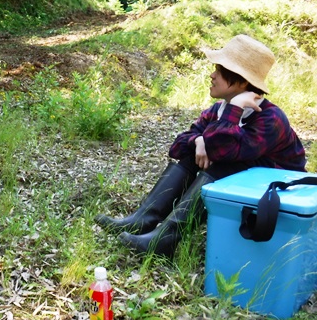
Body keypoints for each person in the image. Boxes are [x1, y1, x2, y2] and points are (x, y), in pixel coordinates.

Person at [95, 35, 306, 257]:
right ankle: (142, 221)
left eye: (220, 70)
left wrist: (231, 112)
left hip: (278, 187)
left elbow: (224, 152)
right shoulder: (218, 110)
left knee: (222, 168)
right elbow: (177, 147)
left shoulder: (270, 118)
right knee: (190, 158)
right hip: (243, 174)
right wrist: (199, 140)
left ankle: (165, 240)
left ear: (242, 81)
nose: (212, 75)